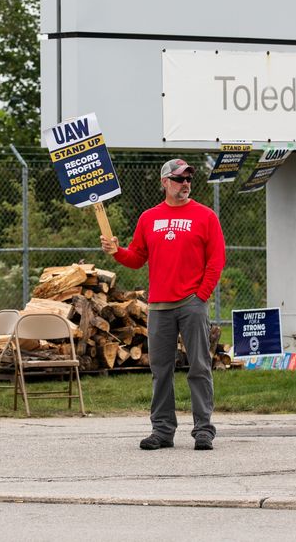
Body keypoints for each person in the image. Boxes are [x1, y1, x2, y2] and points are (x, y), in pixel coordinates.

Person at [101, 159, 225, 451]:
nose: (185, 183)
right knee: (161, 370)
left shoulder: (205, 216)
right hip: (159, 306)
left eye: (188, 179)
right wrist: (117, 251)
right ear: (165, 182)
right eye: (179, 178)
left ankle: (203, 430)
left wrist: (201, 296)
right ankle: (162, 430)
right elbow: (137, 258)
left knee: (199, 366)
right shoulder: (149, 218)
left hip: (191, 303)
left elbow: (217, 259)